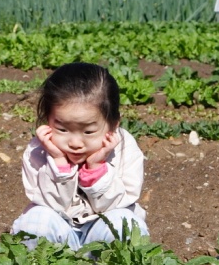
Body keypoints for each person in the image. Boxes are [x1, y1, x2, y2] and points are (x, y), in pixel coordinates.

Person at [12, 62, 147, 250]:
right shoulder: (38, 151)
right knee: (34, 223)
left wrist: (96, 168)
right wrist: (59, 163)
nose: (75, 142)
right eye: (62, 129)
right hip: (60, 240)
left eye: (89, 132)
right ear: (47, 120)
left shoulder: (124, 149)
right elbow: (51, 205)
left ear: (113, 125)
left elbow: (118, 205)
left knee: (126, 227)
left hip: (101, 237)